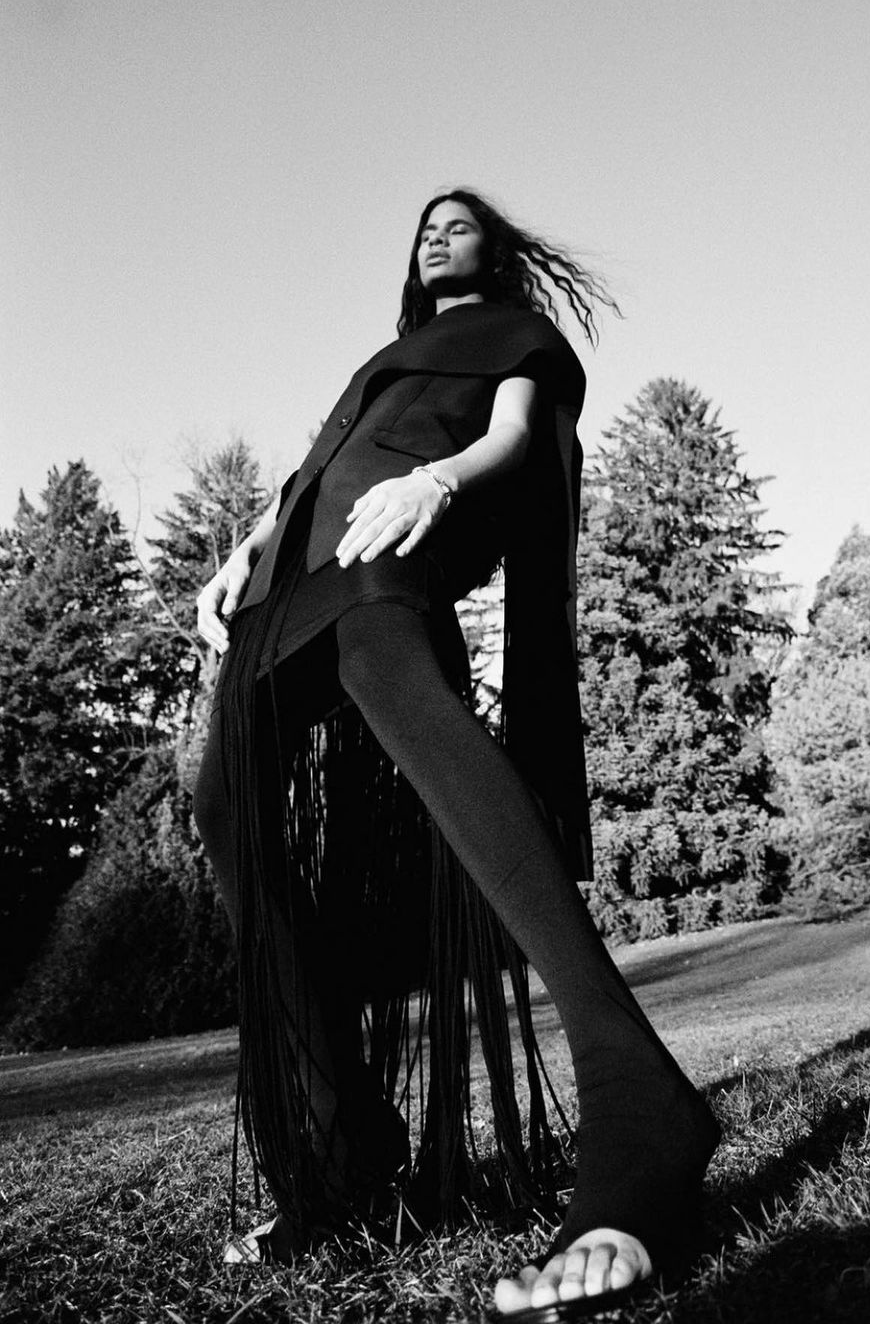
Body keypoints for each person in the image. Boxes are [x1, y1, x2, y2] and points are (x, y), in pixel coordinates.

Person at [193, 189, 720, 1320]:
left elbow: (516, 440)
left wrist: (437, 480)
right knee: (224, 807)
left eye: (460, 223)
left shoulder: (516, 334)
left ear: (499, 250)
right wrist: (244, 550)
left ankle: (640, 1099)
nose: (436, 234)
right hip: (287, 586)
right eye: (425, 226)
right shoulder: (380, 363)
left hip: (392, 552)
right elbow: (311, 476)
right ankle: (339, 1146)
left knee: (410, 705)